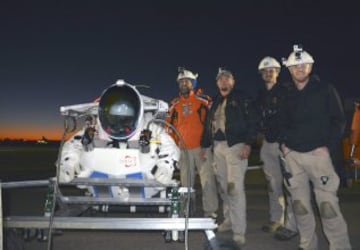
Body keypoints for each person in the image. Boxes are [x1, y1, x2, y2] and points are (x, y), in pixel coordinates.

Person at [279, 45, 352, 250]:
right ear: (290, 70)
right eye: (295, 66)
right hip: (293, 156)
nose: (300, 69)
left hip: (319, 156)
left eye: (304, 65)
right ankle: (307, 245)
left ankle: (340, 246)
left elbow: (339, 120)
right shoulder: (286, 94)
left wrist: (327, 146)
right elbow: (281, 122)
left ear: (310, 67)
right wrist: (284, 146)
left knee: (328, 208)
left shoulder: (325, 90)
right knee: (300, 207)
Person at [201, 68, 259, 248]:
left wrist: (248, 143)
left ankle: (239, 231)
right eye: (220, 80)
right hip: (218, 148)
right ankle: (228, 221)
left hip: (236, 146)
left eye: (227, 79)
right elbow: (207, 125)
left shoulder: (242, 98)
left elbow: (253, 121)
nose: (224, 82)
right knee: (224, 187)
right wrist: (204, 145)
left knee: (235, 189)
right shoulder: (215, 101)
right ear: (217, 83)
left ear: (233, 81)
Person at [167, 67, 219, 219]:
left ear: (193, 83)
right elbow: (168, 126)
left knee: (207, 181)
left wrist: (209, 143)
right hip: (183, 149)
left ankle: (210, 212)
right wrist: (173, 147)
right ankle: (186, 211)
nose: (184, 84)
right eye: (181, 82)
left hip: (201, 148)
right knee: (185, 184)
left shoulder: (204, 100)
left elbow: (214, 121)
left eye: (187, 81)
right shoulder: (174, 103)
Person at [256, 57, 298, 240]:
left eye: (271, 70)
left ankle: (292, 224)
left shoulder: (287, 91)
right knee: (273, 184)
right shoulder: (260, 95)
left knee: (291, 185)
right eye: (265, 71)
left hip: (285, 143)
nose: (268, 73)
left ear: (278, 73)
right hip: (268, 142)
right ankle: (276, 219)